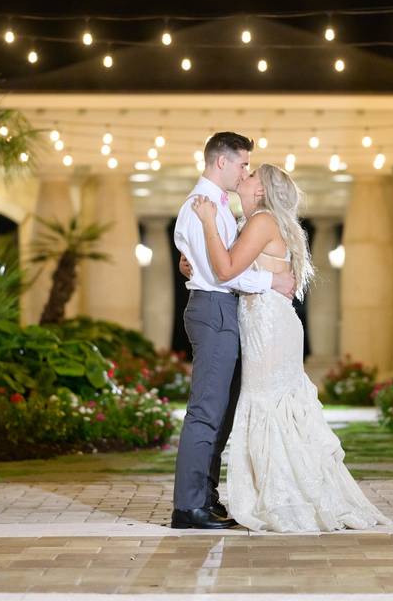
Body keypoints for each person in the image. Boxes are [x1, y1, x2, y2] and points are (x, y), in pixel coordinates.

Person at [191, 163, 391, 532]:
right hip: (268, 319)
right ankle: (284, 492)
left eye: (251, 176)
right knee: (273, 404)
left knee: (267, 403)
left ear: (262, 190)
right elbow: (234, 273)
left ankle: (282, 498)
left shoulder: (262, 221)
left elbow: (228, 269)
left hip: (268, 324)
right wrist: (198, 265)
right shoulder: (261, 222)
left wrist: (205, 222)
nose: (244, 178)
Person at [170, 132, 295, 530]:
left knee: (220, 412)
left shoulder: (219, 208)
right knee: (206, 411)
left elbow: (214, 263)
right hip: (214, 309)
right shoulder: (200, 206)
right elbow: (221, 274)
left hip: (224, 310)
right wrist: (272, 284)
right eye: (243, 164)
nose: (246, 172)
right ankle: (188, 507)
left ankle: (205, 496)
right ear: (221, 162)